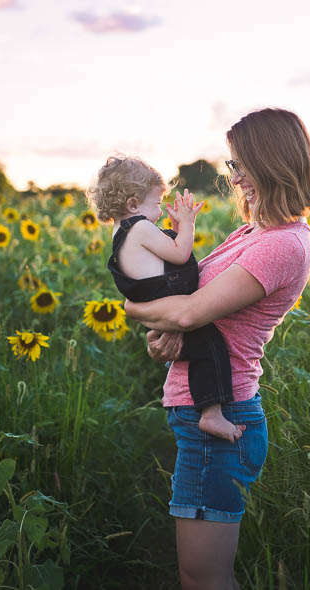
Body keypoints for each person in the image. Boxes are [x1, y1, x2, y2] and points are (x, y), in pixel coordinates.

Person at [124, 108, 310, 590]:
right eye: (232, 165)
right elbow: (193, 308)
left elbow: (190, 312)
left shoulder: (283, 245)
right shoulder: (252, 233)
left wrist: (137, 310)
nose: (234, 178)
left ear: (272, 162)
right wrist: (167, 341)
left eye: (240, 165)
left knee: (204, 578)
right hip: (205, 415)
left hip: (221, 421)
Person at [89, 156, 244, 442]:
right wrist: (187, 224)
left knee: (197, 347)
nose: (160, 212)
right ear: (133, 204)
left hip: (151, 294)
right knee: (210, 346)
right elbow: (179, 254)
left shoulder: (122, 231)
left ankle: (209, 411)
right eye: (157, 204)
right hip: (166, 291)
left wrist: (174, 229)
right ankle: (211, 415)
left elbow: (160, 253)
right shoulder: (140, 227)